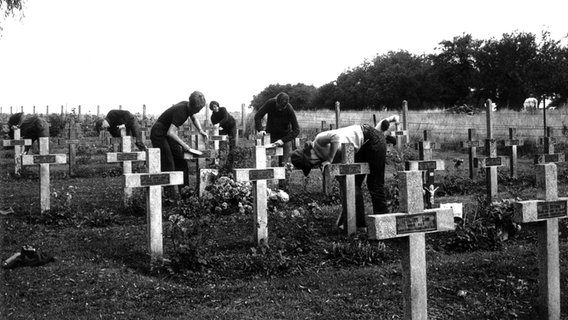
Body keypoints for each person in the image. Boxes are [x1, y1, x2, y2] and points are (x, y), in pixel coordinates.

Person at [290, 116, 399, 230]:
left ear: (308, 157)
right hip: (361, 147)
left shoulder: (318, 141)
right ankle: (360, 224)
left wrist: (330, 160)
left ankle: (385, 227)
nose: (314, 166)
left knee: (375, 184)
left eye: (311, 165)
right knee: (352, 185)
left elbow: (335, 137)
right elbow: (342, 170)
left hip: (372, 138)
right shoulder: (323, 160)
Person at [150, 91, 208, 192]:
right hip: (159, 133)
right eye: (197, 109)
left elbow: (193, 118)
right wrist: (186, 146)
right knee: (168, 163)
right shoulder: (181, 112)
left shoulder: (188, 105)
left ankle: (185, 191)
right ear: (192, 105)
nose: (198, 112)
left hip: (167, 132)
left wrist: (201, 130)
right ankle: (170, 194)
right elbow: (171, 132)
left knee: (180, 161)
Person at [254, 92, 300, 189]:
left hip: (284, 138)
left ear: (286, 105)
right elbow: (258, 116)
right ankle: (265, 188)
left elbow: (296, 130)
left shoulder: (289, 109)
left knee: (284, 165)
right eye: (278, 106)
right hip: (270, 136)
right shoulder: (270, 103)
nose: (279, 109)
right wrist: (261, 129)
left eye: (282, 108)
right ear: (276, 101)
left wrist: (282, 141)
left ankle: (283, 189)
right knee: (265, 162)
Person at [209, 100, 237, 169]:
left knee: (232, 141)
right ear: (211, 109)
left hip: (231, 125)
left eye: (215, 106)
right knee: (220, 141)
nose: (215, 108)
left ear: (218, 105)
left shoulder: (223, 109)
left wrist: (219, 124)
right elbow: (215, 125)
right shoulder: (213, 117)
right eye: (213, 107)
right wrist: (218, 127)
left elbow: (225, 118)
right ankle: (220, 158)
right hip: (223, 128)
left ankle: (232, 160)